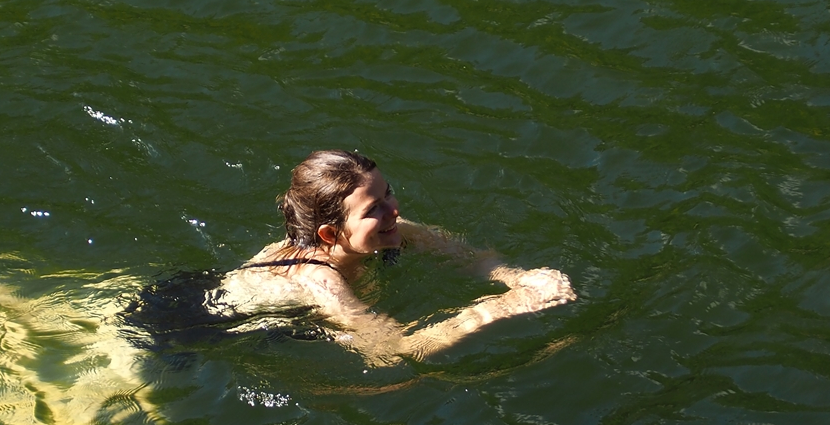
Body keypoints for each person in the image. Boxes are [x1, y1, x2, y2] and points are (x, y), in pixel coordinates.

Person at [125, 150, 576, 362]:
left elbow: (471, 258)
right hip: (182, 326)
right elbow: (391, 350)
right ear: (329, 233)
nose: (393, 210)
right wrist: (503, 308)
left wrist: (516, 277)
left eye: (389, 193)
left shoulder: (393, 228)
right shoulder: (320, 281)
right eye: (374, 208)